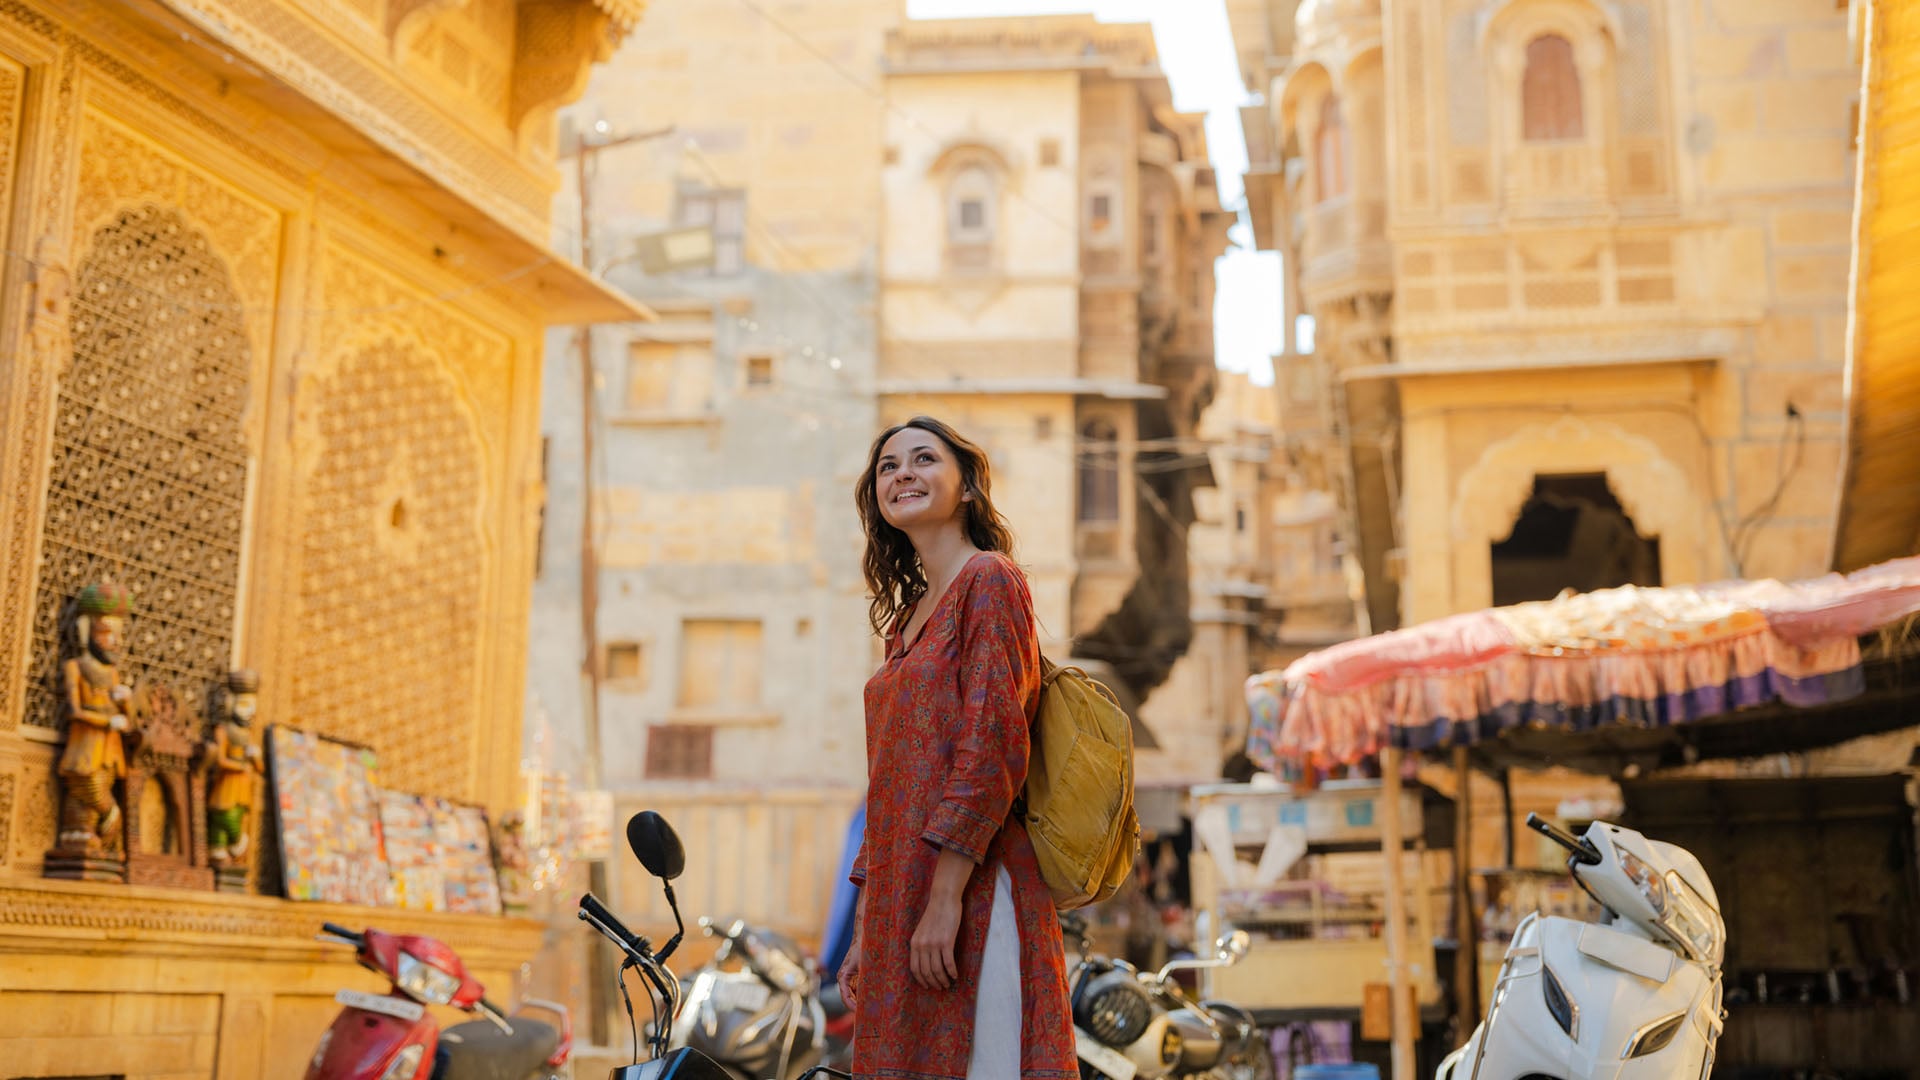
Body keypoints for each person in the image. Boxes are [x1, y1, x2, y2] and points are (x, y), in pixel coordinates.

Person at [837, 416, 1077, 1079]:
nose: (903, 473)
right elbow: (888, 788)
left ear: (967, 486)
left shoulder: (991, 581)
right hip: (899, 897)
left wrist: (944, 901)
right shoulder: (905, 620)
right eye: (888, 466)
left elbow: (992, 744)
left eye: (923, 459)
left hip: (973, 887)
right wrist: (868, 920)